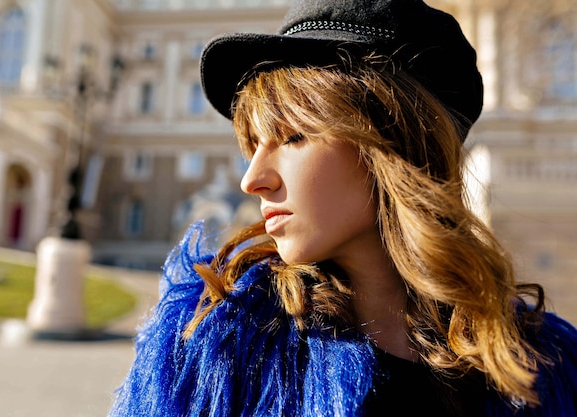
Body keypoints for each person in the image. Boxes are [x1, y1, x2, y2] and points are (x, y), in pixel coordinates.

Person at [109, 0, 577, 416]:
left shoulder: (545, 367)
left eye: (293, 137)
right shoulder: (217, 348)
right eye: (252, 145)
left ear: (392, 144)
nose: (252, 178)